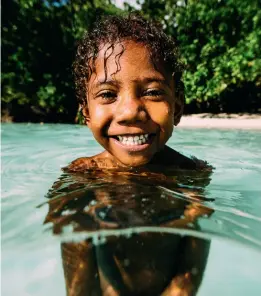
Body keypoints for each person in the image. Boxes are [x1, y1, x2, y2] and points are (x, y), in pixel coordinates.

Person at [66, 13, 211, 173]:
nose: (130, 113)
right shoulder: (83, 172)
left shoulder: (190, 171)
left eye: (153, 92)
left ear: (176, 108)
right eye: (108, 94)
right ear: (87, 114)